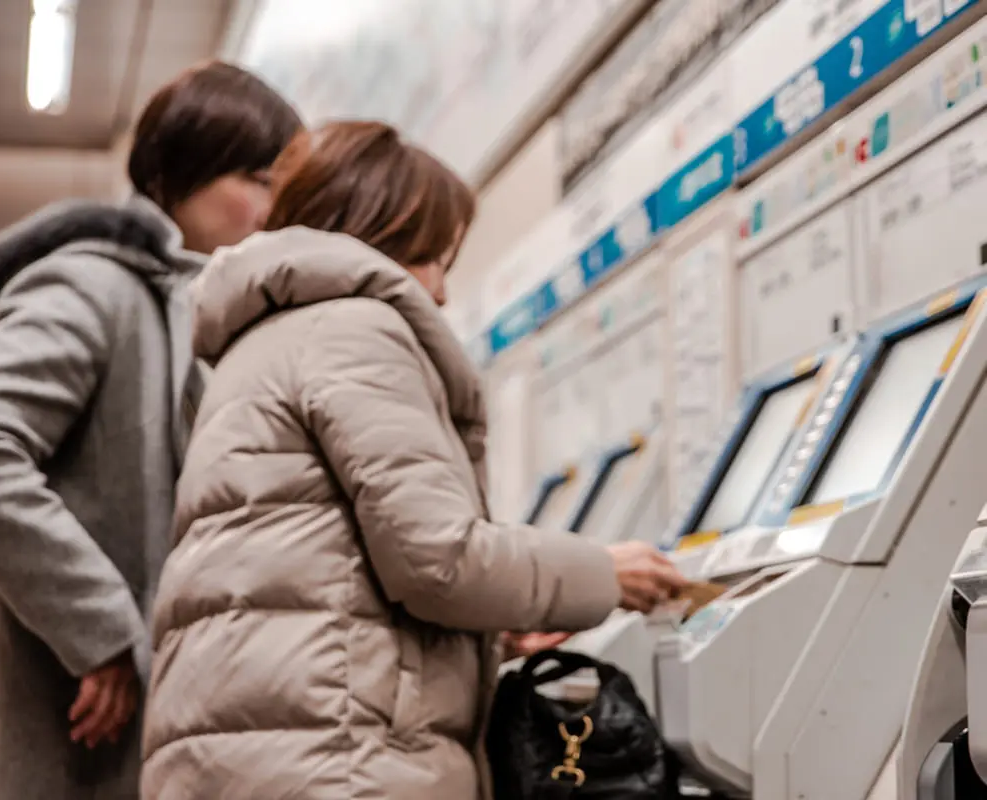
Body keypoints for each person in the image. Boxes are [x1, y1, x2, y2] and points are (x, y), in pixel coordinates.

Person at [141, 121, 687, 799]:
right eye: (436, 259)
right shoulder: (354, 329)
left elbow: (329, 573)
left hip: (255, 755)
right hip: (339, 763)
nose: (441, 293)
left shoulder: (264, 341)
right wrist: (605, 574)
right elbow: (438, 562)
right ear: (386, 236)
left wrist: (489, 628)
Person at [0, 62, 302, 800]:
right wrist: (103, 630)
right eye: (257, 178)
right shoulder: (97, 286)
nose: (271, 207)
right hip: (75, 710)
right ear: (182, 169)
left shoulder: (187, 304)